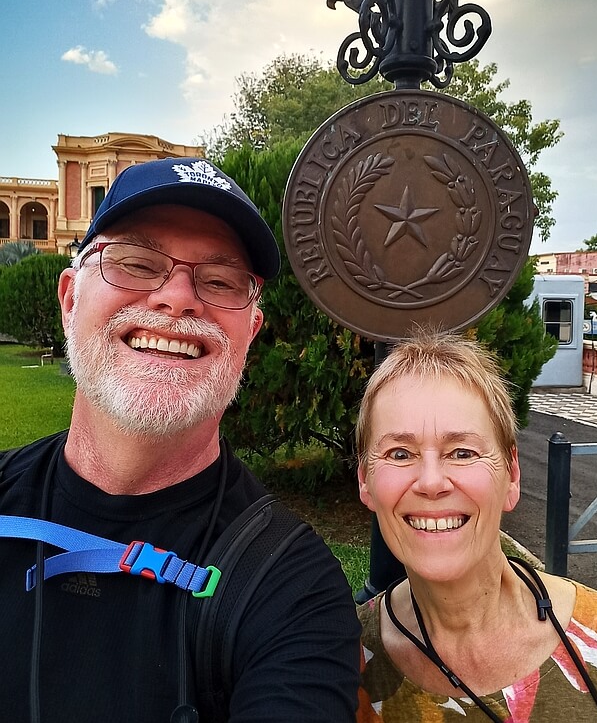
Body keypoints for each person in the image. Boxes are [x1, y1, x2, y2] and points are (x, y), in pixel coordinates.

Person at [0, 157, 361, 722]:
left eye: (219, 281)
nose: (176, 299)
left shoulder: (295, 591)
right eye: (137, 264)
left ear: (251, 334)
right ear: (70, 298)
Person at [354, 330, 597, 721]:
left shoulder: (595, 636)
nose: (432, 482)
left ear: (512, 476)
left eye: (463, 452)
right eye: (400, 453)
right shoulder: (344, 666)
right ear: (365, 481)